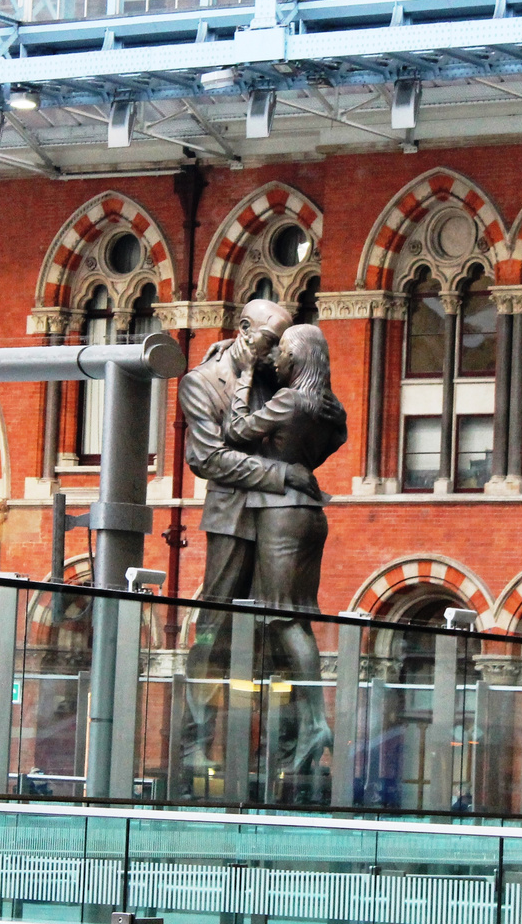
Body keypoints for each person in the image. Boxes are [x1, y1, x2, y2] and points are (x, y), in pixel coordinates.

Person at [176, 300, 324, 779]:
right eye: (269, 338)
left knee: (279, 629)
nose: (275, 350)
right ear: (243, 329)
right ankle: (195, 745)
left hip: (279, 519)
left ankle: (285, 748)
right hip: (233, 519)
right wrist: (283, 474)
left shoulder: (276, 375)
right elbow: (208, 459)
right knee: (213, 630)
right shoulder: (200, 382)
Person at [224, 324, 347, 780]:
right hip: (311, 512)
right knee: (296, 615)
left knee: (284, 615)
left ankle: (315, 722)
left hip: (280, 513)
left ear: (295, 360)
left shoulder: (288, 401)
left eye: (281, 355)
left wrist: (243, 377)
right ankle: (308, 723)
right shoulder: (327, 407)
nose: (275, 361)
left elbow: (236, 430)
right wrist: (300, 461)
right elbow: (337, 440)